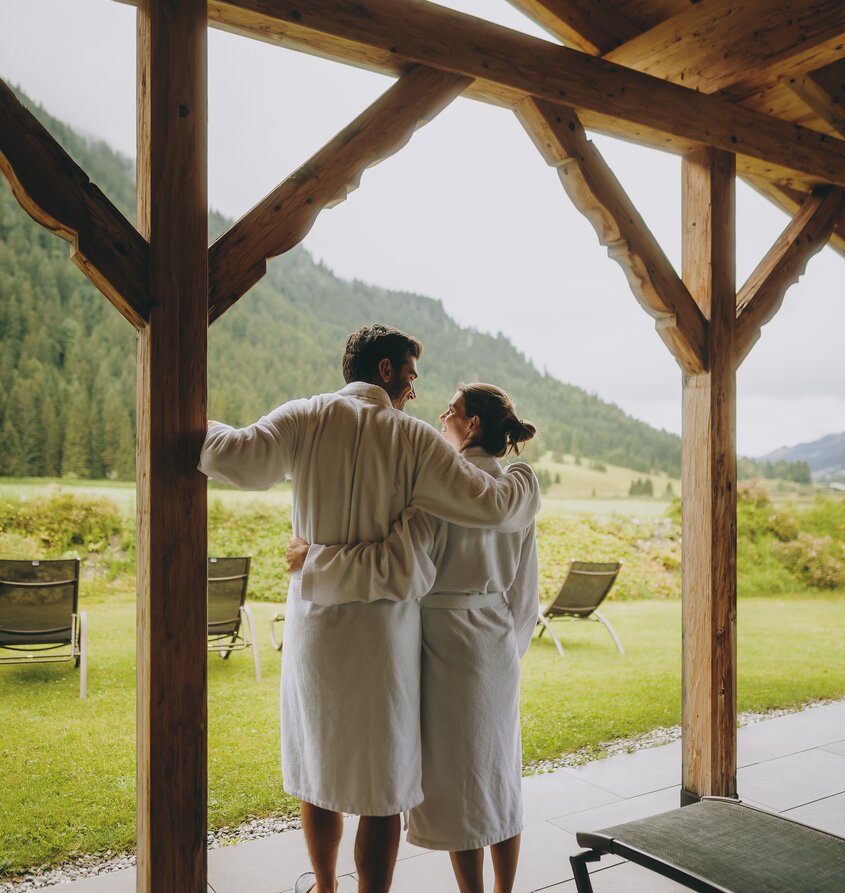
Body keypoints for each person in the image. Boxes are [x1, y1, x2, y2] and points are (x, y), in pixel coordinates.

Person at [199, 326, 539, 893]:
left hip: (315, 630)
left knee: (319, 772)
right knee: (381, 790)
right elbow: (492, 502)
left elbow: (239, 460)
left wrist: (206, 431)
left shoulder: (303, 416)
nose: (413, 391)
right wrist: (527, 479)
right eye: (409, 377)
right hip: (385, 639)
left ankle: (326, 886)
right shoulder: (415, 442)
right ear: (385, 371)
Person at [287, 383, 540, 893]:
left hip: (445, 644)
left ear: (471, 426)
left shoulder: (437, 492)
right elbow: (526, 588)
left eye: (453, 408)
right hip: (495, 641)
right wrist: (510, 648)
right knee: (498, 776)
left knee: (460, 784)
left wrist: (312, 560)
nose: (442, 414)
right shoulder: (517, 489)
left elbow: (395, 565)